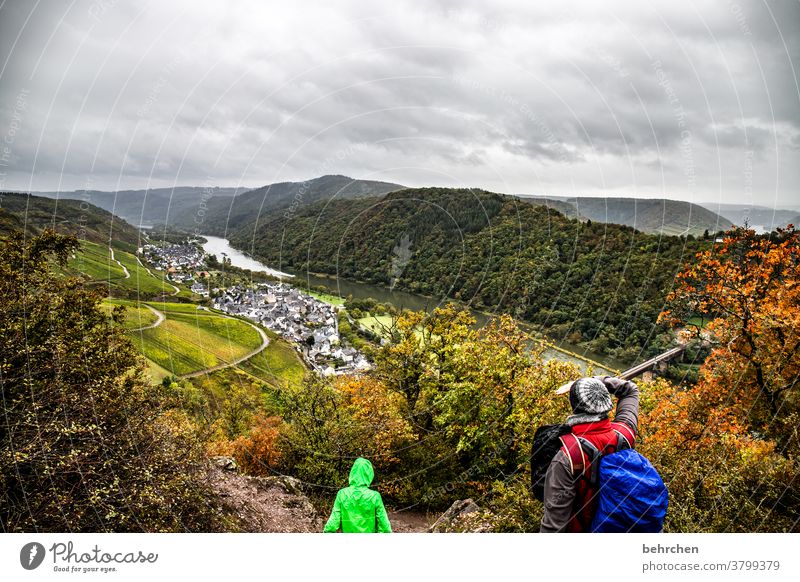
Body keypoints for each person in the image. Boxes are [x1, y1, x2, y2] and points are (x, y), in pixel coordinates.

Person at [540, 375, 639, 533]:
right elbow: (630, 390)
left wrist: (581, 385)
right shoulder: (625, 433)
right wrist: (596, 382)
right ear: (606, 403)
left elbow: (553, 527)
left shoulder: (568, 456)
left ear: (574, 407)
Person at [323, 457, 392, 533]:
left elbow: (333, 522)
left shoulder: (342, 494)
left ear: (353, 472)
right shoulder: (375, 496)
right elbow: (384, 525)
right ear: (369, 474)